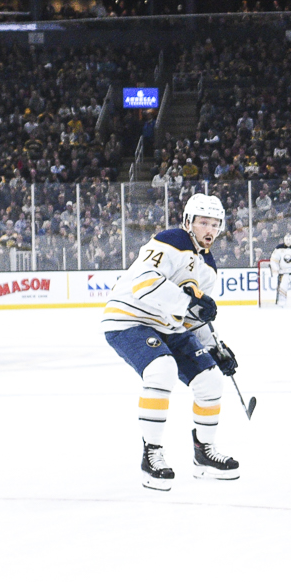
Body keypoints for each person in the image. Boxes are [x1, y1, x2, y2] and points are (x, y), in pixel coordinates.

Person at [99, 192, 242, 491]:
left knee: (210, 380)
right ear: (189, 222)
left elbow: (191, 319)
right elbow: (144, 283)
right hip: (129, 319)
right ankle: (151, 454)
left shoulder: (209, 268)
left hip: (168, 325)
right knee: (161, 369)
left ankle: (204, 454)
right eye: (203, 222)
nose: (209, 229)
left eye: (215, 223)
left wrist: (215, 347)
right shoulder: (172, 240)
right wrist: (187, 304)